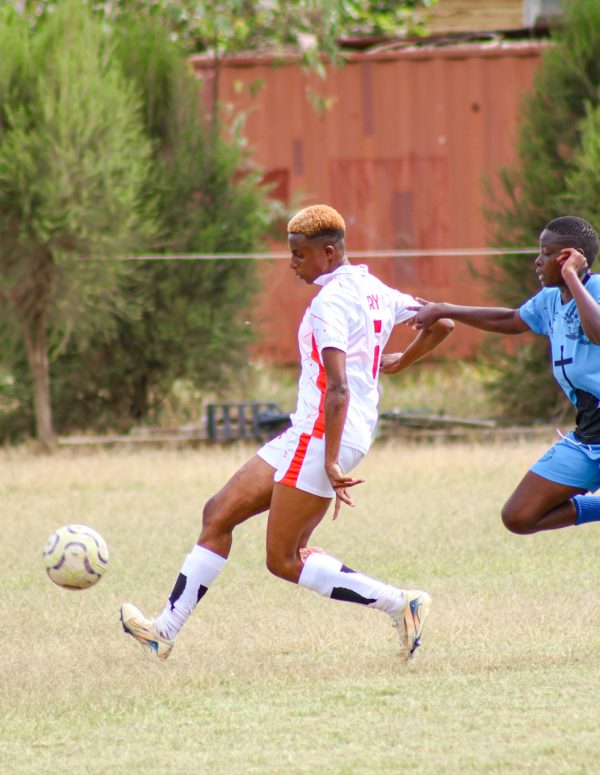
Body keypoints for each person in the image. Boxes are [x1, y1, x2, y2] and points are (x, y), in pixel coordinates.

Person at [120, 204, 454, 661]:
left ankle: (402, 603)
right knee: (217, 513)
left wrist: (332, 459)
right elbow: (441, 321)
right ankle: (163, 631)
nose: (293, 264)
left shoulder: (329, 303)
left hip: (323, 433)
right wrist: (396, 362)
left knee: (284, 559)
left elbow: (337, 389)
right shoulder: (374, 289)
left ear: (329, 252)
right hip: (315, 431)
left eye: (299, 255)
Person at [409, 215, 600, 535]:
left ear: (570, 256)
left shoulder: (595, 288)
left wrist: (573, 278)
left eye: (547, 253)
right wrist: (445, 309)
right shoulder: (550, 299)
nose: (538, 261)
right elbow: (511, 319)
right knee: (519, 516)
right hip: (589, 434)